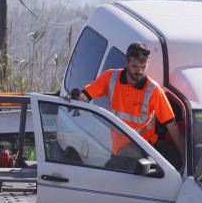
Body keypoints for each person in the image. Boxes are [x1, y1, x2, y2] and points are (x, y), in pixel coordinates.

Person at [73, 41, 185, 171]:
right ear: (126, 61)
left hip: (143, 150)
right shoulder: (110, 77)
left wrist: (183, 158)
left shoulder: (153, 90)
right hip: (119, 150)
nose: (139, 71)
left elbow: (171, 125)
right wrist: (74, 98)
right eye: (135, 66)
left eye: (143, 67)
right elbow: (86, 96)